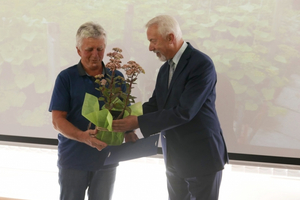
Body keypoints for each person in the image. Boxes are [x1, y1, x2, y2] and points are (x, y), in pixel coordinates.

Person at [112, 15, 229, 200]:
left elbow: (185, 112)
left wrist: (138, 121)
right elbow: (156, 105)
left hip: (201, 159)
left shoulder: (201, 64)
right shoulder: (166, 68)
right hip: (174, 158)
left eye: (153, 41)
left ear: (170, 37)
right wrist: (125, 122)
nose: (150, 47)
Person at [49, 21, 138, 200]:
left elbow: (124, 114)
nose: (95, 55)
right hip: (73, 159)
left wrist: (130, 133)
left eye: (100, 49)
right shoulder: (66, 78)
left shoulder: (117, 78)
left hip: (107, 158)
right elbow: (57, 120)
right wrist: (83, 137)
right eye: (89, 49)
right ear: (78, 50)